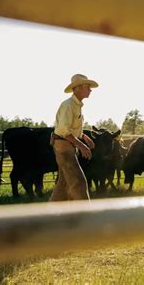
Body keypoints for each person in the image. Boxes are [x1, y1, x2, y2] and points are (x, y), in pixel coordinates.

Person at [49, 73, 98, 201]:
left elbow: (71, 128)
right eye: (87, 87)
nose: (90, 90)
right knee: (79, 182)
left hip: (66, 146)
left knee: (63, 184)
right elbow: (64, 130)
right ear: (78, 88)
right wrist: (82, 146)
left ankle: (51, 214)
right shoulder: (68, 105)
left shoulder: (76, 106)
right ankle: (85, 215)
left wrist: (84, 137)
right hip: (63, 148)